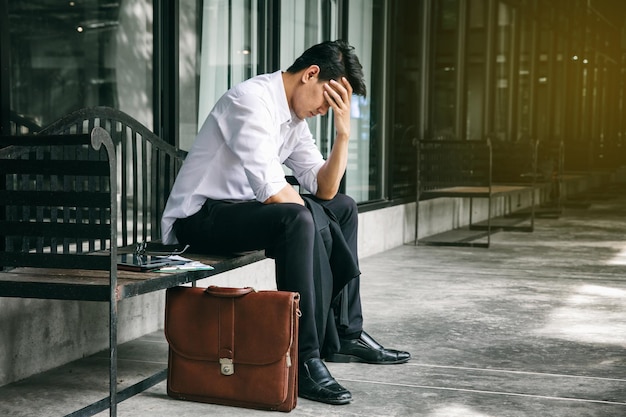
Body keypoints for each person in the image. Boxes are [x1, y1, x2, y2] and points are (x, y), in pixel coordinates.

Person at [161, 40, 410, 406]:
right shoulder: (251, 101)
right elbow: (273, 193)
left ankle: (345, 332)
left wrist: (344, 134)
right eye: (328, 101)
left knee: (343, 207)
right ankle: (305, 358)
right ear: (311, 74)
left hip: (241, 213)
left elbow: (325, 189)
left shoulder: (293, 119)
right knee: (296, 218)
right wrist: (314, 215)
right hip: (199, 218)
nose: (325, 111)